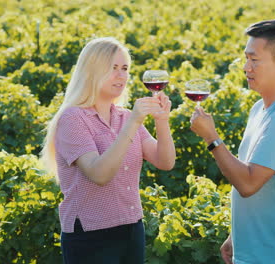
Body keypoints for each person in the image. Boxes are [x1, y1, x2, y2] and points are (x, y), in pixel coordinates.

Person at [190, 20, 275, 264]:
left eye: (254, 60)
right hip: (253, 255)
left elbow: (248, 184)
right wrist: (237, 235)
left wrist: (212, 138)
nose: (246, 67)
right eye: (246, 59)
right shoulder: (260, 109)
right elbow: (260, 182)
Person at [41, 37, 176, 264]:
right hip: (90, 235)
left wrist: (162, 121)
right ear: (92, 70)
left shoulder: (124, 116)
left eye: (124, 68)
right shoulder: (73, 119)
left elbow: (165, 161)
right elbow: (99, 174)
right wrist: (133, 122)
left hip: (132, 229)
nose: (121, 75)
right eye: (113, 68)